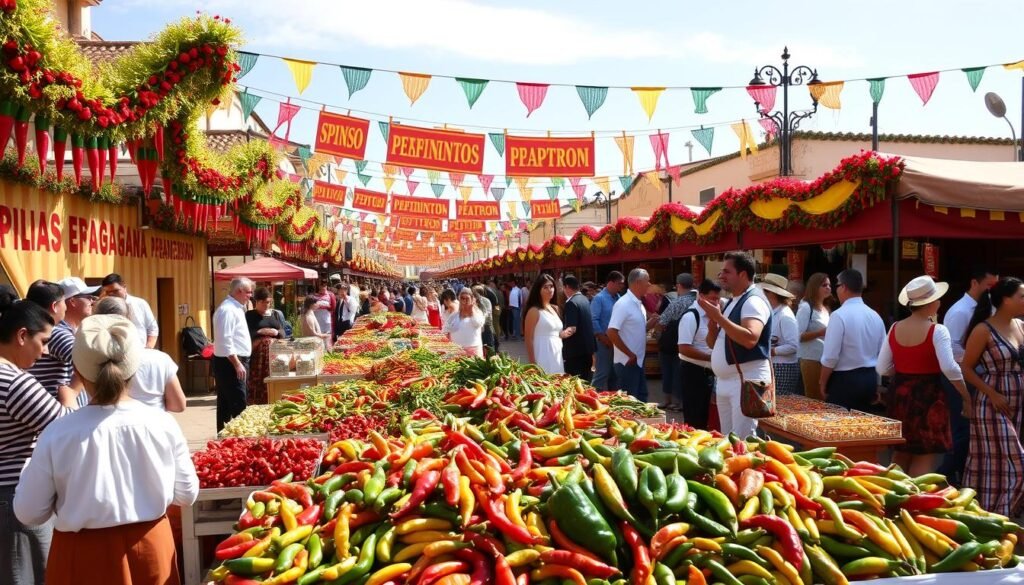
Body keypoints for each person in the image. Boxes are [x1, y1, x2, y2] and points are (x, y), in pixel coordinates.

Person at [14, 314, 199, 584]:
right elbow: (187, 494)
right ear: (134, 369)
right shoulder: (162, 424)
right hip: (151, 547)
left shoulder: (57, 433)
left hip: (81, 556)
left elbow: (29, 512)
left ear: (77, 372)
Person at [0, 301, 71, 583]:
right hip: (13, 498)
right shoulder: (14, 382)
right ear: (21, 336)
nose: (44, 352)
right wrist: (71, 392)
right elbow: (66, 429)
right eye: (42, 342)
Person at [877, 276, 971, 477]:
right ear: (931, 303)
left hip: (900, 394)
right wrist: (965, 394)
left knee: (900, 452)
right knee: (925, 456)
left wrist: (904, 371)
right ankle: (914, 505)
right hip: (928, 396)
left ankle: (892, 500)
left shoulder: (894, 328)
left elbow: (882, 368)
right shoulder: (938, 330)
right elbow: (950, 368)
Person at [961, 277, 1024, 517]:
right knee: (1012, 461)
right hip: (992, 403)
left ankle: (998, 516)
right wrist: (992, 394)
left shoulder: (1020, 325)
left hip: (1017, 400)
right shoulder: (982, 330)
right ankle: (998, 513)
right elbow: (966, 368)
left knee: (1001, 463)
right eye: (1021, 296)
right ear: (1005, 300)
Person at [702, 251, 772, 438]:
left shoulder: (753, 301)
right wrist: (712, 324)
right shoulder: (735, 301)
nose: (721, 276)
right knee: (729, 441)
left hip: (744, 381)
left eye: (726, 271)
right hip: (729, 381)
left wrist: (718, 318)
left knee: (742, 442)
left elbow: (750, 338)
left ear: (742, 274)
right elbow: (712, 344)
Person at [938, 267, 998, 486]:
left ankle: (956, 474)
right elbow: (951, 348)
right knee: (961, 429)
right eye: (989, 287)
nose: (992, 291)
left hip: (975, 374)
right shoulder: (960, 311)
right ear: (974, 283)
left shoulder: (988, 307)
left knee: (970, 430)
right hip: (960, 375)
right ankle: (945, 473)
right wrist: (975, 360)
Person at [93, 297, 188, 413]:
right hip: (154, 425)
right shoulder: (160, 359)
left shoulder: (89, 360)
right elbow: (178, 405)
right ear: (129, 318)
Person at [820, 269, 886, 412]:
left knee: (839, 429)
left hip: (845, 380)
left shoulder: (839, 316)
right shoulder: (875, 316)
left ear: (843, 287)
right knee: (861, 428)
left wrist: (822, 382)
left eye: (837, 285)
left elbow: (831, 357)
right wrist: (877, 384)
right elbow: (883, 354)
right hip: (869, 378)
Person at [24, 280, 81, 407]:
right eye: (63, 302)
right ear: (55, 306)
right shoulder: (55, 334)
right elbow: (88, 364)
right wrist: (72, 391)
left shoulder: (25, 330)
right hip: (57, 409)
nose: (65, 307)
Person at [607, 268, 660, 402]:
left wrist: (650, 323)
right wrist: (629, 354)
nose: (649, 284)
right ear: (637, 283)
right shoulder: (623, 304)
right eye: (647, 281)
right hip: (627, 362)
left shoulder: (639, 304)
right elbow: (611, 332)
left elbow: (639, 329)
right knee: (630, 403)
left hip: (637, 361)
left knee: (640, 399)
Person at [679, 279, 721, 430]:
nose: (716, 302)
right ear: (701, 297)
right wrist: (711, 357)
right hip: (693, 372)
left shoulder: (714, 315)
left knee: (705, 417)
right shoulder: (691, 316)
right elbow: (683, 348)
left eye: (718, 299)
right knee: (694, 418)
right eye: (712, 299)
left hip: (709, 373)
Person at [213, 278, 253, 431]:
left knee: (226, 404)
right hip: (230, 363)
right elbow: (225, 339)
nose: (250, 296)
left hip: (232, 362)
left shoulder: (235, 307)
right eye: (248, 292)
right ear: (239, 291)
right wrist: (237, 364)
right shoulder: (227, 310)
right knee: (238, 403)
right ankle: (239, 440)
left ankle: (225, 439)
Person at [657, 273, 697, 411]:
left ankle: (670, 401)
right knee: (684, 374)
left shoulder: (677, 302)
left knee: (670, 372)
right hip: (694, 343)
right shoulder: (699, 300)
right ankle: (682, 401)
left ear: (679, 286)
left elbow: (662, 322)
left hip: (672, 344)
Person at [758, 274, 801, 395]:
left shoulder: (785, 316)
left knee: (779, 404)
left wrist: (771, 351)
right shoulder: (773, 312)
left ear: (771, 293)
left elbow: (793, 346)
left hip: (783, 367)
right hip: (773, 365)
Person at [523, 275, 572, 374]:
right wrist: (532, 363)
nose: (550, 290)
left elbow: (553, 332)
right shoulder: (534, 311)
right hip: (541, 354)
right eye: (545, 287)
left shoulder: (555, 308)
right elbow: (528, 338)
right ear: (538, 290)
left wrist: (562, 334)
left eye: (551, 286)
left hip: (557, 355)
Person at [244, 287, 285, 405]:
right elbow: (246, 333)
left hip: (273, 355)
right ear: (256, 301)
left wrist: (276, 333)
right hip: (257, 356)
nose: (266, 305)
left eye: (268, 302)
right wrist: (260, 332)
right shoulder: (250, 315)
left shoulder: (275, 314)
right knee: (257, 381)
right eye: (263, 302)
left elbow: (283, 332)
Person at [796, 273, 832, 400]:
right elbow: (798, 336)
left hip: (823, 359)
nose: (828, 288)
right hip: (810, 358)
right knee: (813, 398)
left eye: (829, 285)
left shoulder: (825, 309)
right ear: (815, 287)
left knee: (821, 398)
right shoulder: (806, 307)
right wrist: (820, 333)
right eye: (824, 285)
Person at [100, 273, 158, 348]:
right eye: (108, 292)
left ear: (124, 287)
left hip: (141, 351)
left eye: (115, 291)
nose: (112, 294)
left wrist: (149, 347)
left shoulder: (140, 304)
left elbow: (152, 328)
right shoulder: (103, 308)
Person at [592, 271, 625, 391]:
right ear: (610, 283)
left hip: (617, 341)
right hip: (603, 342)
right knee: (602, 373)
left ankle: (612, 401)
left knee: (614, 374)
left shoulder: (619, 298)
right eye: (619, 283)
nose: (621, 286)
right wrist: (603, 338)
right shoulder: (599, 298)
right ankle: (592, 400)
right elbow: (594, 320)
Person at [561, 275, 596, 381]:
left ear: (566, 287)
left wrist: (559, 335)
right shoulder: (584, 299)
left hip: (575, 352)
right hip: (587, 350)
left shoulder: (571, 302)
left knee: (575, 384)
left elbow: (572, 328)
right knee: (586, 381)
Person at [444, 288, 485, 357]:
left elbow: (478, 323)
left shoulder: (478, 313)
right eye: (462, 298)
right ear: (459, 299)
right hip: (456, 350)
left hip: (473, 350)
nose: (464, 301)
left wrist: (471, 311)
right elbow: (445, 328)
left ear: (472, 299)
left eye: (467, 298)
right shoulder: (454, 315)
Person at [472, 285, 495, 352]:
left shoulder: (485, 301)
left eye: (474, 292)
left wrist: (480, 320)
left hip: (486, 326)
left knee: (489, 346)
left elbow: (487, 313)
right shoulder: (474, 301)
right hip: (479, 327)